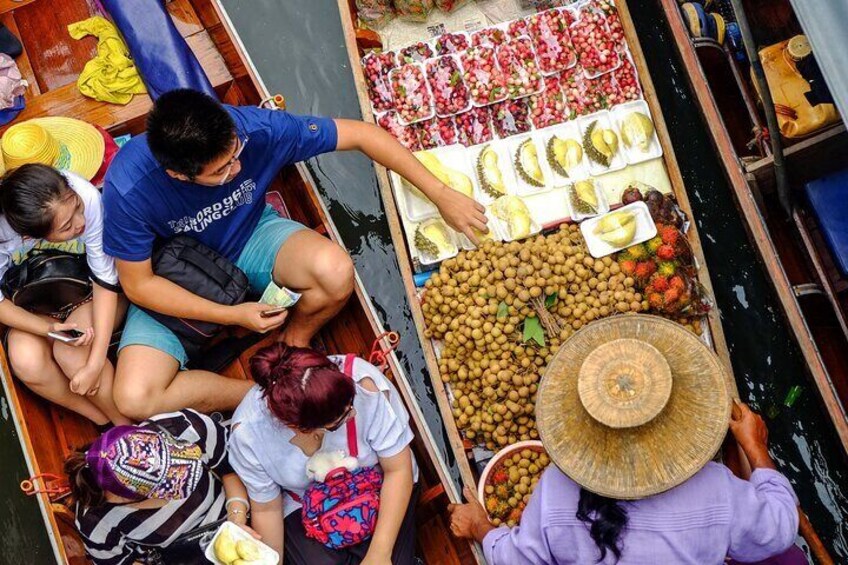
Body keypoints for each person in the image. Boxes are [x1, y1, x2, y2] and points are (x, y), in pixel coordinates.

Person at [102, 88, 487, 421]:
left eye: (237, 155)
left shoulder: (256, 129)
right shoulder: (129, 186)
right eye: (220, 171)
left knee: (335, 271)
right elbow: (139, 285)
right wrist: (232, 315)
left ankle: (293, 343)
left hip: (252, 235)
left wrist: (440, 194)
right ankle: (255, 397)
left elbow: (362, 135)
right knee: (135, 399)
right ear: (178, 175)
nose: (236, 170)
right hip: (179, 269)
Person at [448, 315, 803, 565]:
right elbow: (781, 525)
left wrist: (481, 528)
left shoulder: (556, 490)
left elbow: (519, 558)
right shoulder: (716, 489)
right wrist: (755, 447)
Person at [228, 343, 418, 564]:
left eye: (351, 405)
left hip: (379, 485)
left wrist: (379, 554)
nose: (353, 412)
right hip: (305, 505)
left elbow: (398, 469)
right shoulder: (249, 435)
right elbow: (267, 509)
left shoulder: (364, 385)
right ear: (301, 427)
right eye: (338, 422)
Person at [0, 164, 128, 426]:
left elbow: (105, 283)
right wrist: (50, 328)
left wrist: (94, 365)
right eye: (67, 226)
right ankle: (100, 419)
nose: (81, 222)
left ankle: (123, 425)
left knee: (71, 353)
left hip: (89, 291)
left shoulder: (85, 196)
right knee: (25, 359)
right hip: (34, 301)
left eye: (77, 208)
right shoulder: (6, 234)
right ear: (30, 236)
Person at [65, 409, 254, 564]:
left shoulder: (181, 428)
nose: (181, 481)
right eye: (171, 484)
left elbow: (230, 468)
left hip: (245, 506)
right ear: (128, 497)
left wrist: (237, 521)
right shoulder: (96, 526)